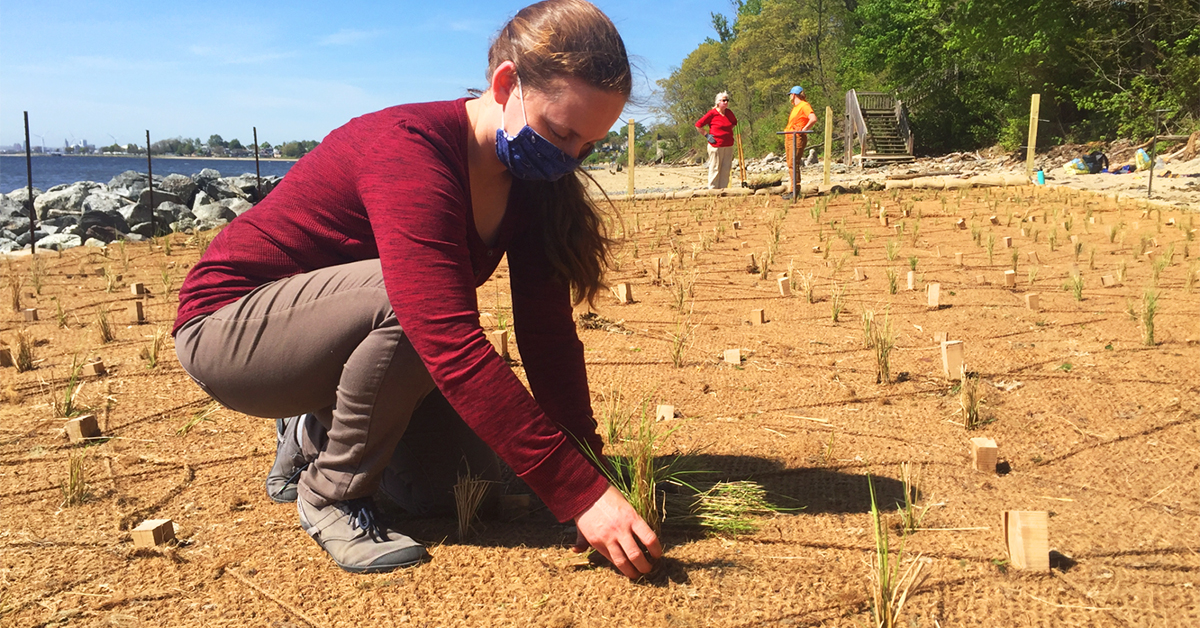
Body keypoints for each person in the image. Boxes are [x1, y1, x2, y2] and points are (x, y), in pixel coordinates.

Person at [172, 0, 661, 579]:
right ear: (507, 85)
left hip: (351, 337)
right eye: (559, 133)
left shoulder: (532, 181)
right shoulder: (411, 148)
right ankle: (331, 491)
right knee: (413, 299)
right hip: (232, 333)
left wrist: (586, 464)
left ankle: (315, 429)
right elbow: (444, 335)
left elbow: (547, 335)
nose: (566, 159)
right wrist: (577, 494)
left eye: (585, 147)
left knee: (456, 491)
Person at [694, 92, 738, 189]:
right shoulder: (712, 113)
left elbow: (734, 123)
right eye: (723, 100)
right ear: (718, 102)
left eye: (727, 100)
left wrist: (727, 131)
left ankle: (724, 189)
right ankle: (713, 190)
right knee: (715, 168)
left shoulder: (729, 113)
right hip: (716, 145)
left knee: (726, 169)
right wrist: (707, 135)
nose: (726, 102)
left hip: (728, 144)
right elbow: (698, 125)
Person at [783, 86, 817, 198]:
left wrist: (804, 129)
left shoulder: (804, 105)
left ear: (793, 95)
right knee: (790, 163)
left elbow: (813, 118)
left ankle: (795, 190)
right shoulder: (795, 107)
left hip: (796, 137)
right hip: (789, 136)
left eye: (790, 95)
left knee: (793, 162)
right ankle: (793, 189)